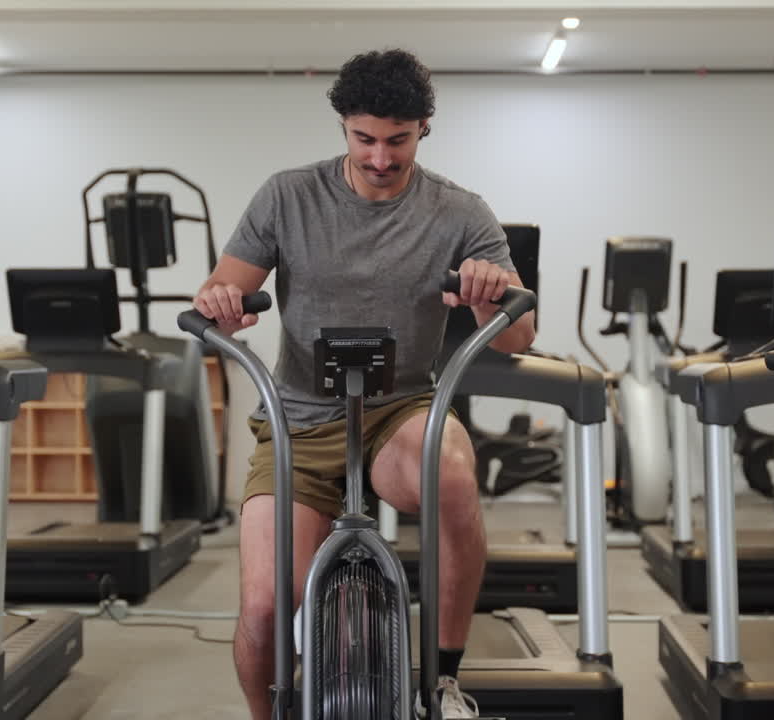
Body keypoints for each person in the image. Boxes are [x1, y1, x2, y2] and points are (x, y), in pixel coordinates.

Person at [192, 48, 535, 720]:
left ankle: (441, 683)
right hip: (296, 422)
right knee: (264, 607)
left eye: (398, 141)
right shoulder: (287, 196)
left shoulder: (460, 212)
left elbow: (520, 335)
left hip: (398, 412)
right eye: (365, 139)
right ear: (344, 127)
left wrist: (491, 296)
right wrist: (219, 303)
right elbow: (222, 291)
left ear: (424, 128)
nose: (381, 157)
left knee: (455, 475)